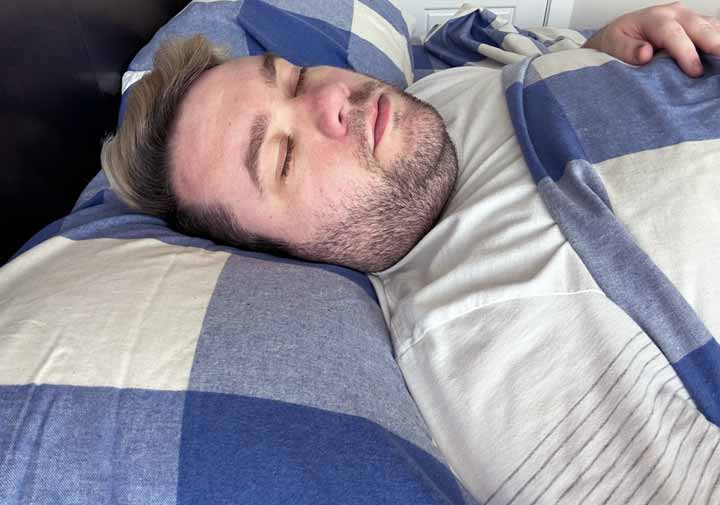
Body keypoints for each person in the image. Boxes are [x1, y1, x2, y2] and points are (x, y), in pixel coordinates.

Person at [101, 2, 720, 273]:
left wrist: (594, 56)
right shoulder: (471, 350)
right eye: (282, 154)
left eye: (295, 78)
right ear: (278, 259)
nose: (329, 99)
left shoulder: (433, 85)